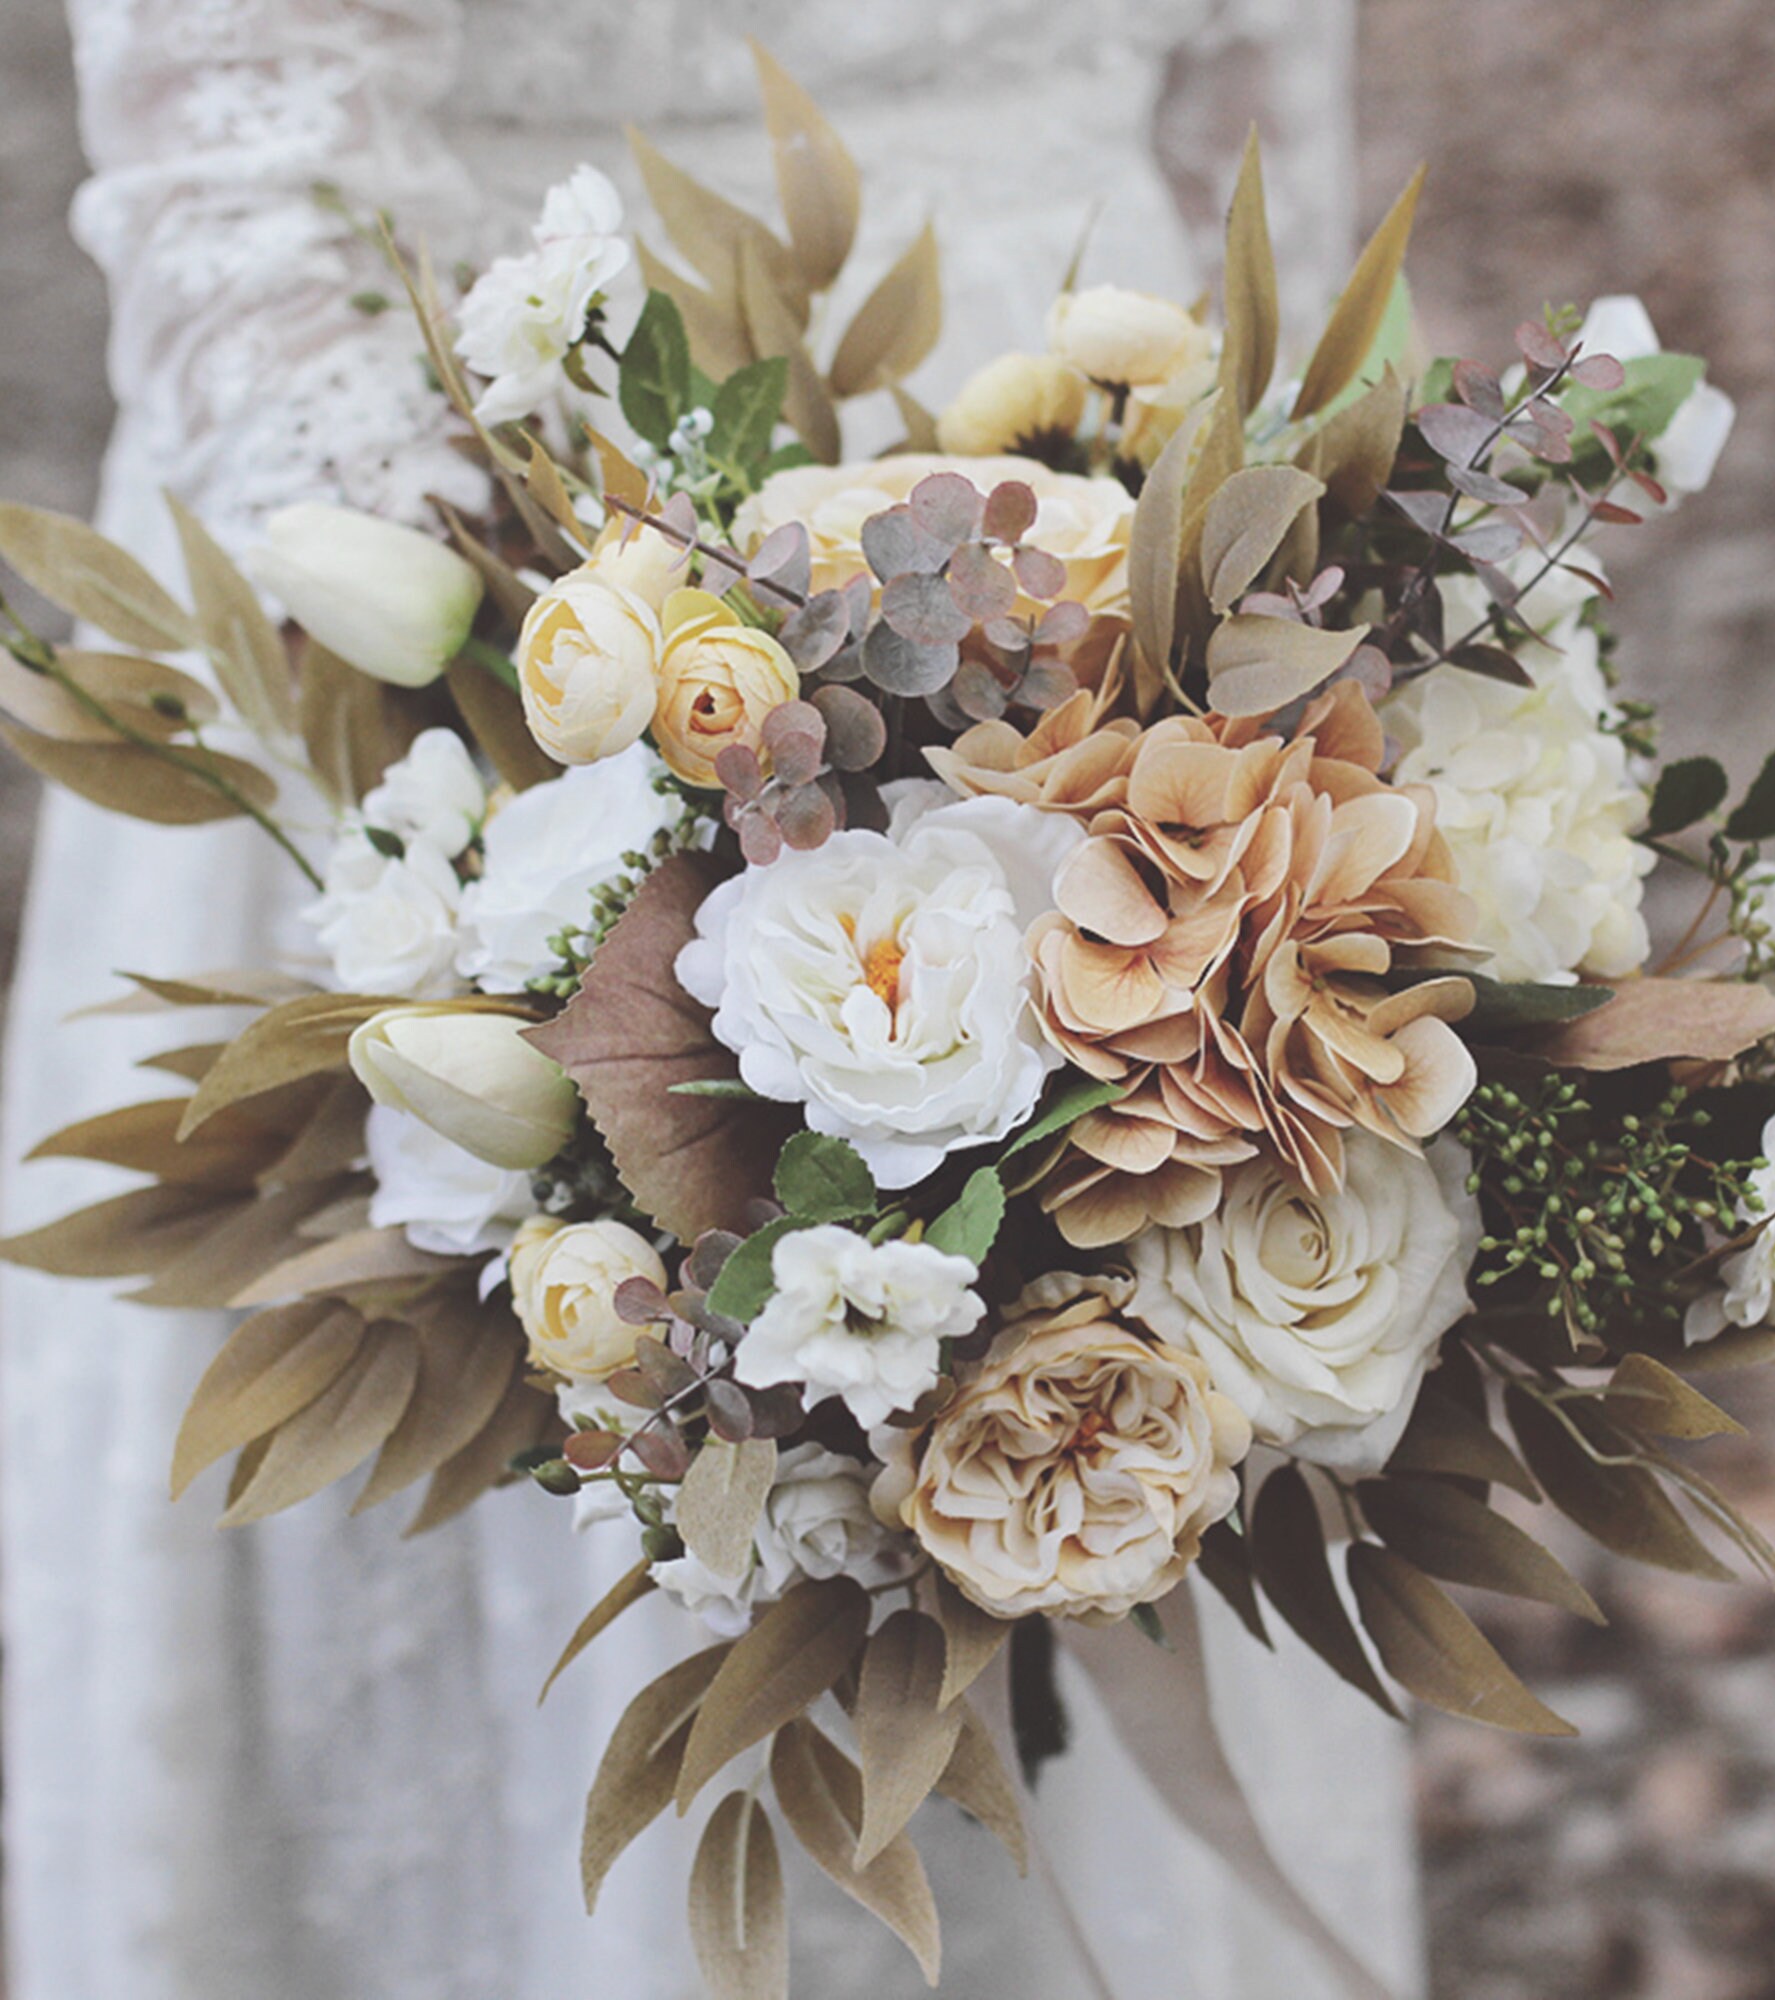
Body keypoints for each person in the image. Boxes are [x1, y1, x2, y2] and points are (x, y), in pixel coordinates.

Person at [2, 3, 1421, 1992]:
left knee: (1119, 1484)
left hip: (1124, 579)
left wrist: (1306, 598)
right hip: (528, 603)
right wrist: (572, 828)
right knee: (631, 1523)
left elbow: (1246, 125)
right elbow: (252, 189)